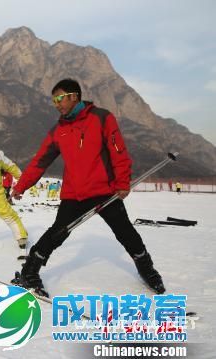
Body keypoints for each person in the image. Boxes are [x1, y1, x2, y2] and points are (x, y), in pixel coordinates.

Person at [11, 78, 165, 296]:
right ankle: (29, 271)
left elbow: (118, 152)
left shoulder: (101, 118)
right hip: (74, 192)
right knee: (58, 233)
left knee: (125, 232)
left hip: (104, 190)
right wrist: (22, 186)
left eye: (60, 98)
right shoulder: (58, 130)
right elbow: (40, 161)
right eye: (53, 100)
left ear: (74, 96)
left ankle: (147, 270)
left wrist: (122, 182)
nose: (56, 104)